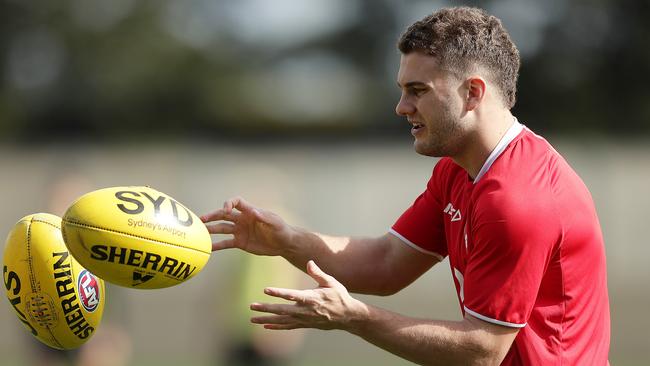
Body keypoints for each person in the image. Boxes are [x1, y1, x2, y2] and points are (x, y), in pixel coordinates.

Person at [201, 6, 610, 365]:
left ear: (472, 93)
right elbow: (386, 263)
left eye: (418, 91)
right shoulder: (457, 171)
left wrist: (355, 318)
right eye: (402, 91)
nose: (402, 107)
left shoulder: (518, 199)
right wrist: (286, 240)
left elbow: (483, 351)